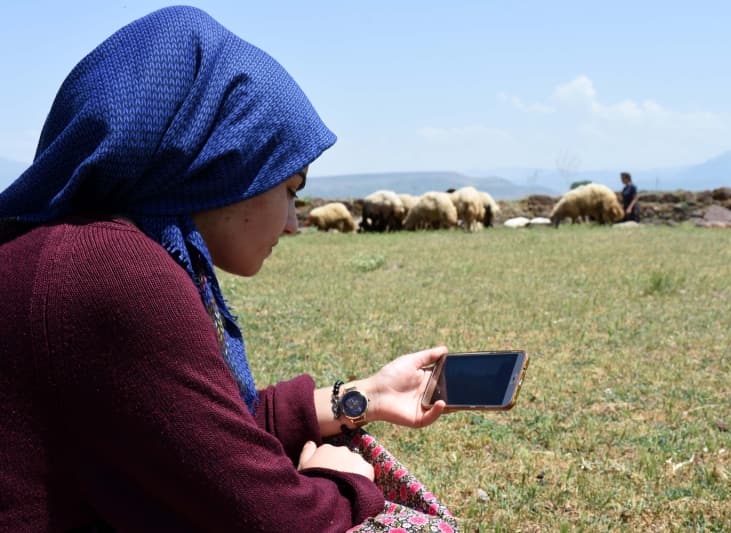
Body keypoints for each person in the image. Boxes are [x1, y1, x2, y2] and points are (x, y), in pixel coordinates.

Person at [0, 7, 453, 531]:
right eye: (290, 189)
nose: (292, 225)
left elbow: (205, 431)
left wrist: (367, 395)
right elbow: (273, 518)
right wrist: (343, 481)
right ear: (221, 163)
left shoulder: (81, 247)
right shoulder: (114, 273)